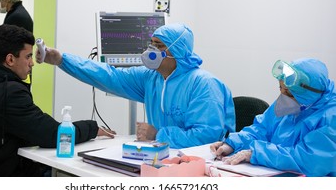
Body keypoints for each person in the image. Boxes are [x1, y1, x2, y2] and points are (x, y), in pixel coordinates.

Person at [36, 23, 235, 149]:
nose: (151, 50)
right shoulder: (151, 78)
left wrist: (158, 134)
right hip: (162, 158)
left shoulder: (204, 85)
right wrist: (62, 60)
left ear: (178, 51)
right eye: (151, 44)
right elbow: (109, 76)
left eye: (159, 46)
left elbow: (207, 137)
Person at [0, 24, 115, 177]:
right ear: (10, 59)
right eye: (28, 56)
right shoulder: (9, 93)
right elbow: (54, 135)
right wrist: (93, 128)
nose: (32, 63)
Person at [210, 58, 336, 177]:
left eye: (288, 92)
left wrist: (256, 153)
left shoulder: (330, 117)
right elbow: (261, 129)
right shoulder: (293, 102)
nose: (283, 97)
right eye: (280, 88)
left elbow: (308, 159)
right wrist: (233, 143)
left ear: (308, 94)